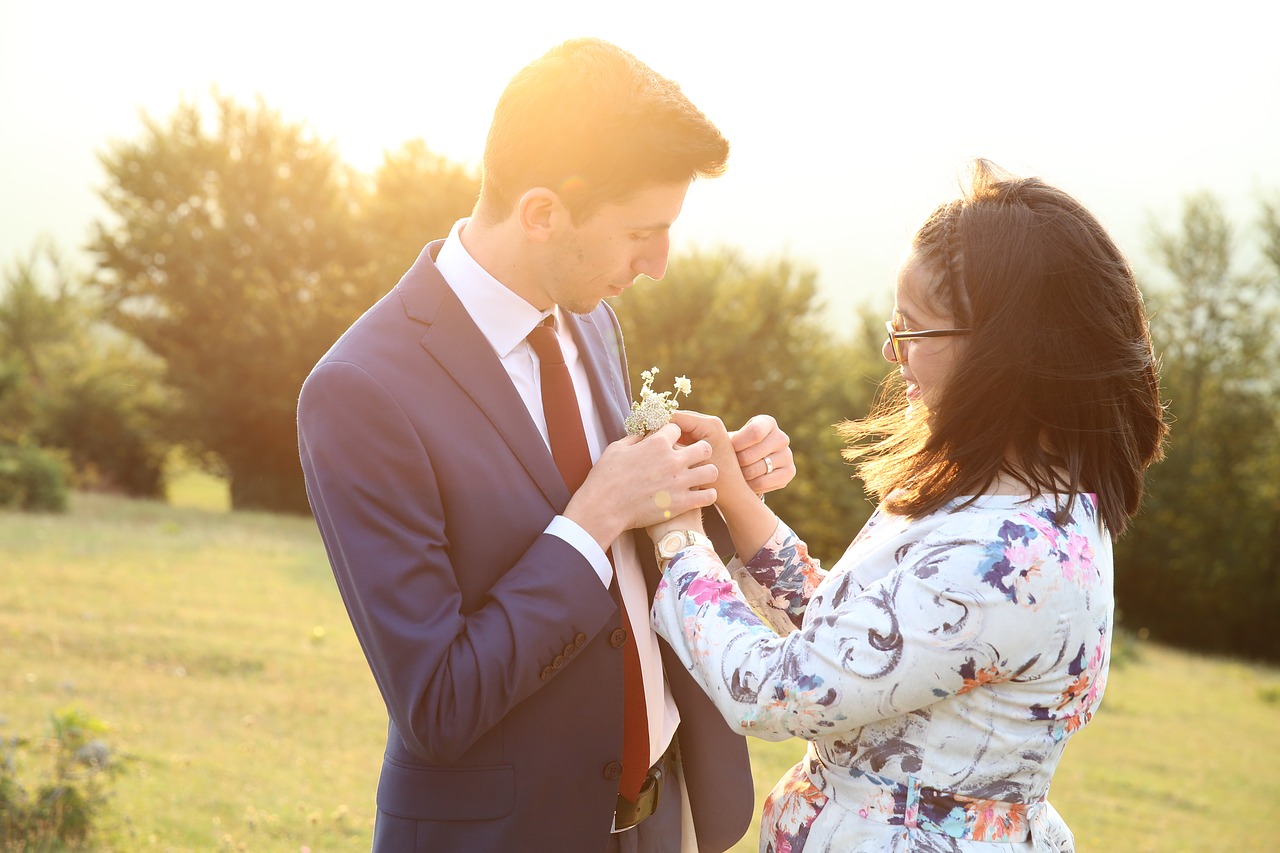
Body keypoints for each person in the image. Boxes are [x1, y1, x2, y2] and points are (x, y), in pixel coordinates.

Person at [297, 37, 794, 852]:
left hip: (660, 819)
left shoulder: (593, 321)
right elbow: (439, 702)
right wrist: (589, 519)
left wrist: (715, 479)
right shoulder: (360, 392)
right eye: (643, 230)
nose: (660, 263)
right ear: (540, 214)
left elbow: (631, 558)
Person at [645, 160, 1168, 852]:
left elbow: (780, 690)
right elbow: (869, 639)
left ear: (1002, 352)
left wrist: (678, 538)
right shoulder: (1008, 496)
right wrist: (738, 503)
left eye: (912, 331)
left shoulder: (1009, 556)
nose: (894, 354)